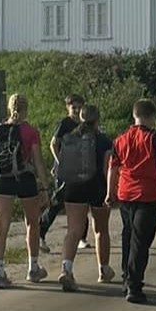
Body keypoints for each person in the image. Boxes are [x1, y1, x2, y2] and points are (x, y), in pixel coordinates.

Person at [107, 99, 156, 305]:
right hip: (147, 195)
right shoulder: (154, 137)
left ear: (134, 115)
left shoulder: (120, 139)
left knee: (128, 235)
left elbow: (113, 168)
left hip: (125, 194)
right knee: (141, 241)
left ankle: (126, 277)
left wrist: (110, 193)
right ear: (150, 116)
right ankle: (134, 286)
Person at [0, 92, 51, 288]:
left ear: (9, 108)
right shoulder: (30, 131)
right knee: (32, 222)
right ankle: (33, 268)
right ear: (26, 109)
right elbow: (38, 162)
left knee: (1, 226)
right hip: (24, 177)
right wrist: (45, 187)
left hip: (2, 179)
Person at [55, 104, 115, 292]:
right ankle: (103, 270)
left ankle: (66, 269)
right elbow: (107, 169)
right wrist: (111, 191)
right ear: (98, 119)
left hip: (73, 187)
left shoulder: (69, 137)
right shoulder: (104, 140)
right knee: (101, 230)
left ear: (80, 118)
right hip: (97, 187)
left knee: (73, 230)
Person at [39, 94, 87, 247]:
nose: (76, 111)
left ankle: (81, 237)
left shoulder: (85, 125)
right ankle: (40, 232)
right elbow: (53, 144)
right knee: (58, 202)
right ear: (68, 108)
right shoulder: (64, 124)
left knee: (81, 201)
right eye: (74, 108)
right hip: (65, 170)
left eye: (79, 108)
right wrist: (60, 162)